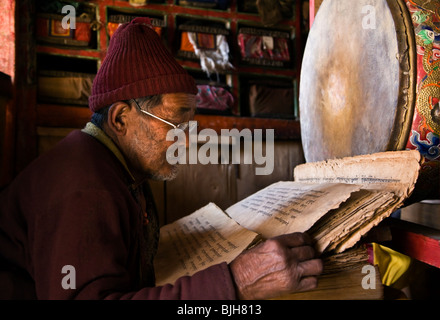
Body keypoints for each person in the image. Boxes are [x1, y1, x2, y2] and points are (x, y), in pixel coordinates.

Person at [0, 18, 322, 300]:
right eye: (174, 125)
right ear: (121, 118)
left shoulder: (121, 165)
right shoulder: (85, 189)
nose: (184, 139)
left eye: (188, 126)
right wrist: (238, 283)